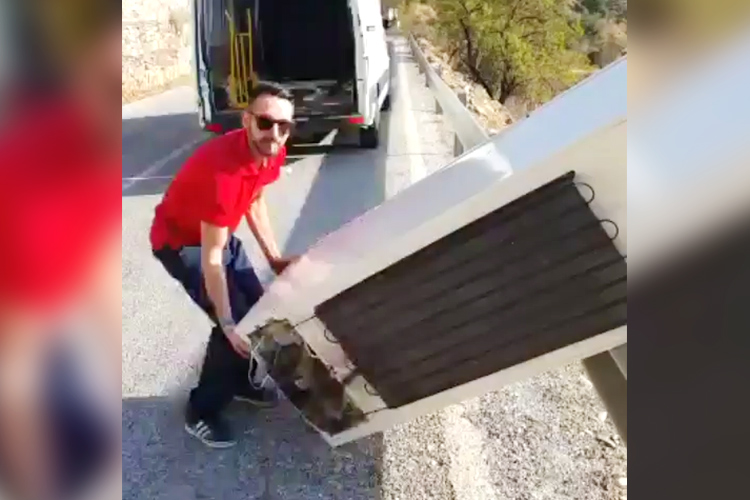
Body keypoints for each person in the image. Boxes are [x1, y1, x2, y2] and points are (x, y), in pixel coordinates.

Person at [150, 82, 298, 448]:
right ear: (247, 120)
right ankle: (200, 410)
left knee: (260, 308)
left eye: (284, 126)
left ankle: (242, 382)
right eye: (265, 122)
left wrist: (274, 258)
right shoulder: (223, 174)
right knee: (237, 326)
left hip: (218, 234)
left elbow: (255, 200)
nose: (275, 133)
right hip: (182, 244)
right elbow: (211, 260)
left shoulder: (272, 150)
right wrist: (229, 322)